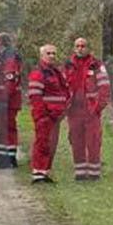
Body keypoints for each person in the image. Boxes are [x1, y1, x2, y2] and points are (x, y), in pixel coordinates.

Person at [64, 37, 111, 181]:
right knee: (76, 141)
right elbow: (62, 87)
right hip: (74, 111)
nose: (80, 48)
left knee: (93, 141)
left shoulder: (96, 65)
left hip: (91, 111)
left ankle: (94, 174)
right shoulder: (68, 65)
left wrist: (98, 108)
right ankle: (80, 173)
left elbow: (104, 88)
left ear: (88, 48)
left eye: (83, 46)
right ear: (74, 48)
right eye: (77, 46)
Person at [27, 44, 70, 184]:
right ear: (42, 56)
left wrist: (64, 109)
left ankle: (45, 172)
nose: (52, 56)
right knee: (42, 143)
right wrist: (42, 115)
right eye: (48, 53)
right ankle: (38, 173)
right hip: (45, 115)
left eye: (53, 53)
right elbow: (35, 96)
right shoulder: (38, 73)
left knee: (51, 144)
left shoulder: (55, 73)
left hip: (56, 116)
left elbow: (64, 92)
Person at [0, 32, 23, 168]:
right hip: (0, 101)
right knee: (0, 129)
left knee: (8, 128)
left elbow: (9, 81)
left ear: (1, 42)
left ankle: (10, 158)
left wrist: (4, 99)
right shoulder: (0, 57)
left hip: (8, 101)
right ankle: (1, 156)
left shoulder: (9, 58)